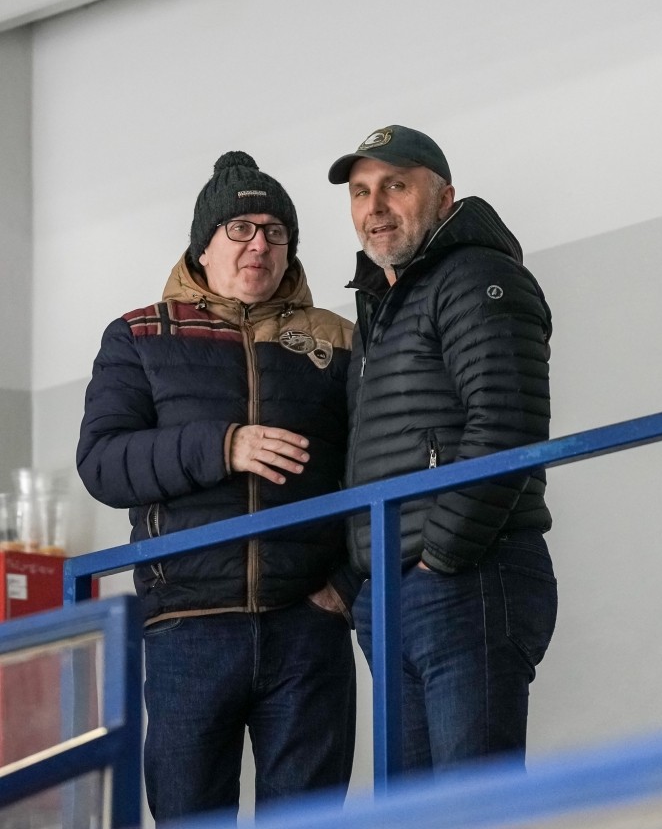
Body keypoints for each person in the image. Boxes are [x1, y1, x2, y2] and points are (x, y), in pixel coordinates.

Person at [77, 151, 358, 822]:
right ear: (203, 245)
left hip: (308, 625)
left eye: (275, 231)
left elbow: (379, 465)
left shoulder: (341, 339)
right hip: (187, 628)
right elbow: (102, 462)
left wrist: (344, 589)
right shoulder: (140, 335)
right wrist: (223, 446)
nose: (259, 244)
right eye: (240, 229)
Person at [328, 124, 557, 775]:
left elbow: (506, 421)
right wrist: (365, 578)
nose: (375, 206)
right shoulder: (382, 305)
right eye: (360, 192)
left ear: (444, 198)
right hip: (393, 590)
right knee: (411, 812)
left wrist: (441, 557)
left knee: (469, 807)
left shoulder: (476, 275)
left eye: (395, 186)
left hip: (467, 577)